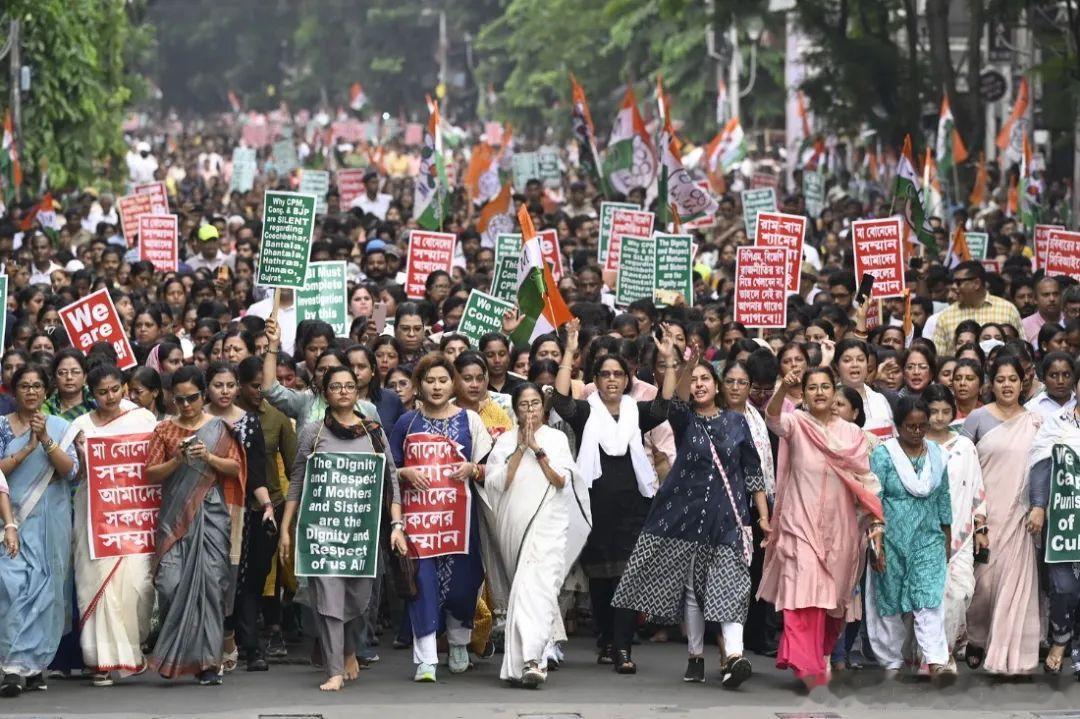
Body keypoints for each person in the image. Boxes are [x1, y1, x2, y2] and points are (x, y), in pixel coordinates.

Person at [613, 343, 768, 688]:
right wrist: (674, 361)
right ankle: (696, 655)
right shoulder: (684, 421)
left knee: (732, 586)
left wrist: (763, 518)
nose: (699, 384)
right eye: (694, 380)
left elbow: (754, 474)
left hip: (729, 519)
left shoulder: (736, 422)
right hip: (687, 518)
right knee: (694, 593)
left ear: (717, 387)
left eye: (705, 379)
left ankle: (734, 657)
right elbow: (670, 398)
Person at [279, 365, 407, 691]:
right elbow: (297, 480)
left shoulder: (374, 431)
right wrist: (286, 527)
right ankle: (334, 669)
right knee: (329, 598)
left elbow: (390, 478)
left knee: (359, 600)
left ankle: (350, 648)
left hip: (361, 535)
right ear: (325, 393)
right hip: (322, 533)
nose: (344, 391)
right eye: (336, 387)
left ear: (358, 390)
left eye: (349, 386)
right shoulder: (313, 432)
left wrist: (396, 524)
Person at [550, 319, 666, 673]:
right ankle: (606, 640)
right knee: (600, 583)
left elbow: (664, 406)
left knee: (628, 579)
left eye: (618, 374)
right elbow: (561, 400)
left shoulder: (637, 413)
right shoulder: (587, 414)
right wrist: (570, 352)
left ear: (627, 379)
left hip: (634, 509)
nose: (612, 379)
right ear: (596, 380)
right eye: (605, 374)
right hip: (594, 509)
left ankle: (623, 649)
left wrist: (669, 362)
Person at [760, 366, 884, 689]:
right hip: (799, 523)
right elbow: (772, 418)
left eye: (825, 386)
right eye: (812, 387)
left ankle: (815, 655)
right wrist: (781, 391)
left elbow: (865, 482)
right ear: (804, 392)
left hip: (841, 529)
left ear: (834, 392)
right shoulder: (798, 424)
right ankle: (808, 667)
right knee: (803, 592)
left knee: (831, 602)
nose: (818, 392)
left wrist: (874, 521)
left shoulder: (852, 435)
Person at [388, 354, 493, 682]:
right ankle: (427, 658)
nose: (436, 387)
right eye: (429, 381)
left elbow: (492, 469)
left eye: (442, 380)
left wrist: (473, 468)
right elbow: (389, 468)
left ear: (454, 384)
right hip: (418, 523)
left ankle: (460, 642)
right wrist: (405, 471)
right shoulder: (407, 423)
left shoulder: (470, 421)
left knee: (463, 584)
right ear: (419, 385)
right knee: (423, 584)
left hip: (460, 523)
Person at [145, 366, 245, 685]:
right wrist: (178, 460)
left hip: (210, 513)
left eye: (192, 398)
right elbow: (151, 473)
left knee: (210, 587)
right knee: (170, 585)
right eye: (180, 399)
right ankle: (179, 654)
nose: (186, 405)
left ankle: (207, 664)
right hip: (174, 517)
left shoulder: (218, 428)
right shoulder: (164, 430)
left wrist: (209, 458)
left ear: (203, 396)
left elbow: (235, 467)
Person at [484, 382, 589, 687]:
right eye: (524, 405)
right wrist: (519, 448)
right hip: (514, 525)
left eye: (535, 404)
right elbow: (496, 484)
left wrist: (537, 450)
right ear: (515, 409)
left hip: (548, 525)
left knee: (539, 591)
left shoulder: (555, 438)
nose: (530, 410)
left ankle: (534, 661)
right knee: (523, 593)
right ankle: (523, 664)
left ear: (543, 407)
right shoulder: (503, 442)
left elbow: (561, 481)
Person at [62, 364, 157, 686]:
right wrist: (82, 461)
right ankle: (99, 661)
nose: (110, 397)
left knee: (137, 586)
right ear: (91, 393)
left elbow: (155, 461)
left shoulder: (142, 419)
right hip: (95, 519)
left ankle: (132, 652)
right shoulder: (80, 426)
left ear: (124, 387)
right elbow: (71, 475)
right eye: (102, 392)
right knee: (95, 587)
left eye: (116, 390)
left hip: (133, 518)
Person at [961, 354, 1042, 675]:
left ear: (1023, 383)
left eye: (1013, 379)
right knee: (984, 585)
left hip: (1020, 516)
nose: (1007, 385)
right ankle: (977, 637)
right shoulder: (978, 418)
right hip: (983, 513)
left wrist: (1039, 505)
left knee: (1014, 584)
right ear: (990, 384)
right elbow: (961, 465)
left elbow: (1042, 468)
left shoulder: (1035, 421)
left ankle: (1013, 660)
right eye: (1000, 379)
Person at [0, 365, 78, 697]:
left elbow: (70, 471)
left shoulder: (61, 427)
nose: (31, 392)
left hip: (51, 522)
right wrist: (26, 450)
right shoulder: (2, 428)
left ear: (46, 393)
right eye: (24, 386)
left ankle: (23, 667)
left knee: (45, 593)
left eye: (37, 386)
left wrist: (45, 439)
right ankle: (15, 662)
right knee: (12, 585)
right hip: (10, 520)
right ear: (13, 392)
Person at [864, 396, 954, 682]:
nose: (916, 432)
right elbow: (873, 496)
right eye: (910, 426)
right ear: (898, 426)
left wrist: (947, 534)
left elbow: (944, 496)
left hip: (927, 538)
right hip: (890, 538)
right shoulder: (884, 455)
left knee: (929, 598)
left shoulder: (938, 455)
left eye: (921, 426)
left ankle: (936, 660)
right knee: (889, 600)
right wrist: (875, 540)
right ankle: (891, 659)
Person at [204, 362, 275, 673]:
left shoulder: (248, 422)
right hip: (199, 508)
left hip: (239, 510)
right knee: (203, 577)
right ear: (207, 387)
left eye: (230, 385)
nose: (225, 391)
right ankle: (204, 645)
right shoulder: (195, 420)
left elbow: (256, 471)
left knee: (238, 579)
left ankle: (241, 641)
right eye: (218, 385)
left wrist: (268, 505)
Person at [923, 383, 986, 663]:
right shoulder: (914, 444)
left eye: (945, 411)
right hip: (923, 533)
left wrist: (981, 526)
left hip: (961, 532)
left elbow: (976, 488)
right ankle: (937, 656)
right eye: (933, 411)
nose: (939, 417)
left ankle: (946, 646)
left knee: (961, 593)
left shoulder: (964, 445)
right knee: (930, 597)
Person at [1026, 398, 1080, 674]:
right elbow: (1040, 464)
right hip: (1063, 518)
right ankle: (1060, 637)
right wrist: (1037, 505)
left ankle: (1072, 648)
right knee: (1063, 586)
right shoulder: (1057, 423)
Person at [931, 261, 1023, 358]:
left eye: (958, 282)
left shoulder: (1007, 310)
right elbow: (939, 358)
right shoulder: (946, 316)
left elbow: (1022, 352)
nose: (954, 287)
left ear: (976, 283)